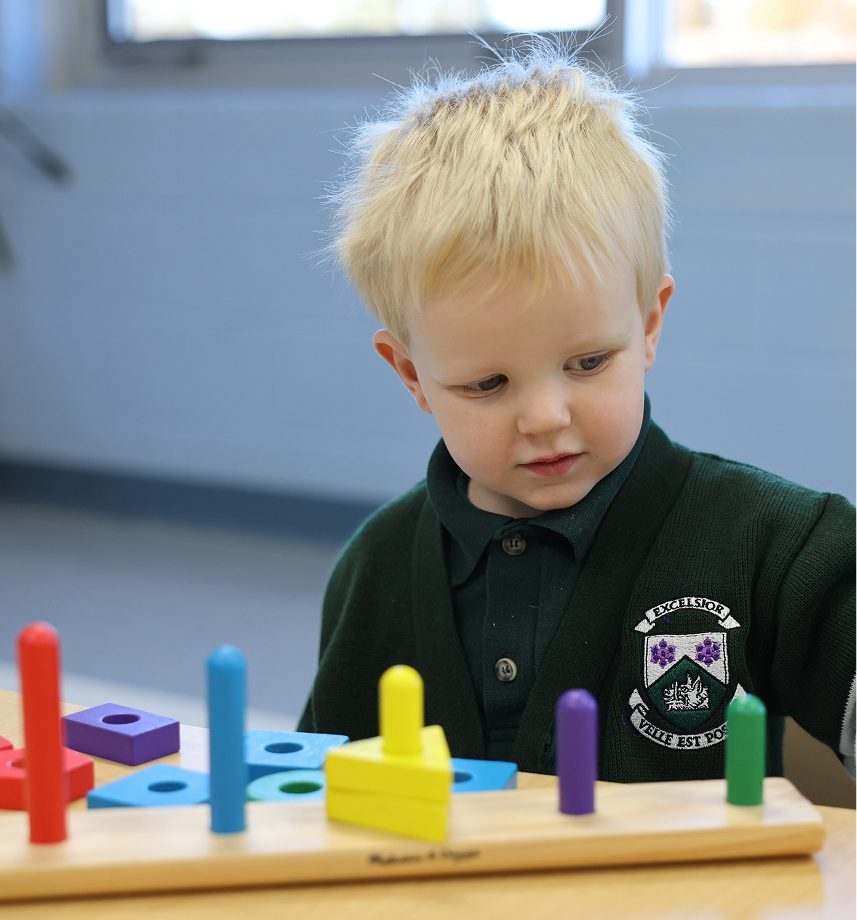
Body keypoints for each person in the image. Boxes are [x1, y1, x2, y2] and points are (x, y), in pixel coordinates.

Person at [297, 37, 855, 781]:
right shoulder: (376, 566)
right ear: (410, 375)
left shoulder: (781, 547)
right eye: (487, 385)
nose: (545, 418)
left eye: (587, 363)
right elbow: (320, 799)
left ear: (649, 324)